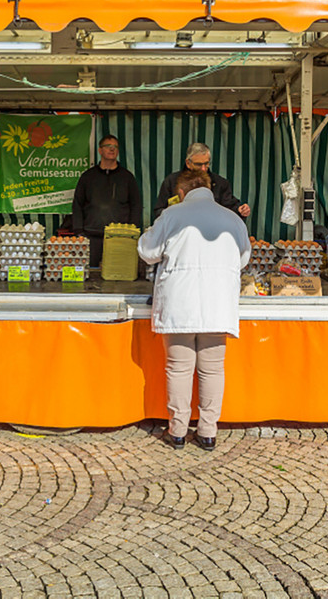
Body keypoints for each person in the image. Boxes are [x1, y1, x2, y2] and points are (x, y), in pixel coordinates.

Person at [138, 169, 251, 451]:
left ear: (181, 193)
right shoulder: (232, 218)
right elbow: (244, 258)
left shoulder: (172, 216)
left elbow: (148, 252)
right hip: (217, 304)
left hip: (180, 304)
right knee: (213, 370)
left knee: (178, 369)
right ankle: (208, 432)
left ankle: (177, 431)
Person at [72, 134, 142, 267]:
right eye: (108, 146)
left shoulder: (127, 177)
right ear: (100, 150)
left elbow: (136, 205)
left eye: (115, 147)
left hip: (119, 237)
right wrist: (78, 231)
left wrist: (132, 230)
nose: (112, 149)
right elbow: (77, 204)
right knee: (89, 276)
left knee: (117, 275)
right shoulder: (88, 177)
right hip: (91, 236)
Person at [153, 142, 250, 221]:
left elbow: (229, 207)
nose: (203, 169)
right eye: (199, 164)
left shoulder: (220, 183)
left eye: (206, 164)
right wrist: (173, 212)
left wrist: (240, 210)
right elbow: (158, 211)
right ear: (188, 163)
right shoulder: (171, 181)